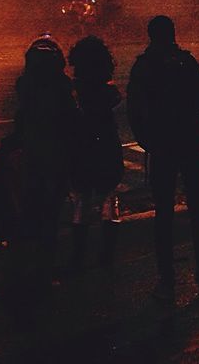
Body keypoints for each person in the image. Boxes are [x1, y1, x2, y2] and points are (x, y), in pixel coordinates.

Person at [127, 15, 199, 303]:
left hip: (162, 145)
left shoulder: (143, 66)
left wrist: (147, 140)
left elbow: (134, 108)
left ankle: (166, 281)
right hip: (189, 140)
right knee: (198, 212)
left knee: (163, 213)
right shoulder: (186, 62)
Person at [7, 36, 77, 300]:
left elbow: (20, 120)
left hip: (32, 154)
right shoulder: (62, 87)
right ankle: (45, 270)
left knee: (28, 210)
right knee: (51, 215)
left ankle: (22, 266)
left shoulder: (25, 86)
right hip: (56, 155)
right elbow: (71, 120)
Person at [68, 35, 124, 268]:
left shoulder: (75, 93)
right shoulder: (108, 93)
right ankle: (107, 256)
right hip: (106, 146)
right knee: (108, 200)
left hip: (82, 146)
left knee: (82, 201)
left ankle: (78, 255)